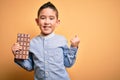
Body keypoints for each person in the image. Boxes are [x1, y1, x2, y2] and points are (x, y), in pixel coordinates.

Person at [11, 2, 80, 80]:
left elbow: (68, 63)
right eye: (43, 18)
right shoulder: (32, 43)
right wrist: (17, 56)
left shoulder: (62, 40)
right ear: (37, 21)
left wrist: (74, 47)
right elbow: (30, 67)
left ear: (57, 22)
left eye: (51, 18)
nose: (47, 22)